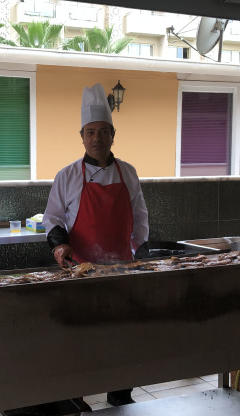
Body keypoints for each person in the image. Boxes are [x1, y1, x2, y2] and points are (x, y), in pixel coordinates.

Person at [42, 82, 150, 407]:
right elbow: (52, 217)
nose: (97, 138)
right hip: (80, 272)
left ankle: (120, 396)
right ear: (82, 136)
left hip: (121, 271)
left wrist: (141, 254)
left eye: (103, 132)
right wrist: (60, 245)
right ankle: (77, 399)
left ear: (113, 135)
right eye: (90, 132)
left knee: (122, 338)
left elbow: (140, 218)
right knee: (80, 339)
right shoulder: (66, 176)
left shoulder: (128, 173)